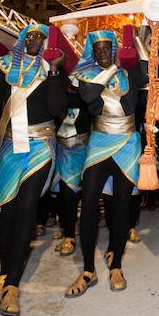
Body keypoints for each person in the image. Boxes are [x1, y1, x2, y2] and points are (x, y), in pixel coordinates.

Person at [0, 25, 68, 316]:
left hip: (40, 145)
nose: (34, 40)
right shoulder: (6, 68)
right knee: (9, 209)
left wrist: (55, 72)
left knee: (27, 207)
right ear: (22, 41)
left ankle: (13, 284)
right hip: (7, 146)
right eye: (29, 36)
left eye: (39, 37)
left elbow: (57, 110)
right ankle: (5, 272)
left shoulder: (51, 70)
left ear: (46, 42)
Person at [65, 30, 146, 298]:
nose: (102, 53)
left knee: (122, 204)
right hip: (99, 141)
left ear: (114, 49)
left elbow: (145, 74)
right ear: (92, 51)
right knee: (88, 202)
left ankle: (117, 264)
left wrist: (136, 42)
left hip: (127, 142)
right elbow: (88, 97)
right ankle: (88, 269)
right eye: (98, 49)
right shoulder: (88, 74)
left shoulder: (129, 73)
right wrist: (113, 67)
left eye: (107, 49)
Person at [53, 80, 91, 259]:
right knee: (63, 192)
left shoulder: (88, 89)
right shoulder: (57, 85)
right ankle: (67, 229)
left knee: (74, 192)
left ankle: (72, 233)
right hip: (59, 146)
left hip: (83, 147)